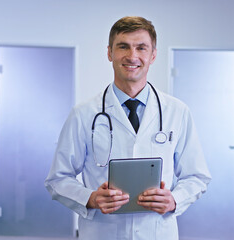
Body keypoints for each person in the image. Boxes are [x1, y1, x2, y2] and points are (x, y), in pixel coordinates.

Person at [45, 16, 211, 240]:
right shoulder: (83, 114)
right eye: (123, 46)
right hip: (103, 232)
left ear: (153, 55)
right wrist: (90, 198)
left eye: (141, 47)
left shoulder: (177, 112)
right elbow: (58, 179)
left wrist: (174, 199)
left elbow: (197, 176)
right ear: (109, 53)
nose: (132, 56)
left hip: (157, 231)